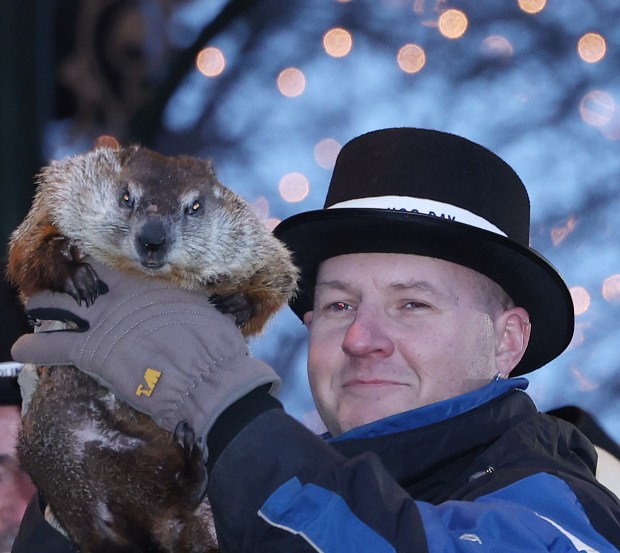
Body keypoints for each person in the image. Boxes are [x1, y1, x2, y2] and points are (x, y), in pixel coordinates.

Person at [10, 128, 620, 552]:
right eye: (338, 305)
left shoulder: (556, 505)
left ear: (507, 341)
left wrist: (217, 398)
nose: (361, 337)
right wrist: (88, 489)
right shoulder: (238, 489)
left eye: (412, 304)